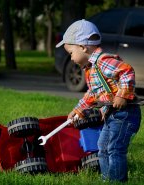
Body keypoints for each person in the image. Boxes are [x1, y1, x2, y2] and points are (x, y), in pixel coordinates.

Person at [56, 19, 141, 182]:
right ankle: (106, 179)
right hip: (112, 116)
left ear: (82, 46)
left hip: (125, 114)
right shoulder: (91, 68)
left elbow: (126, 71)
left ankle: (116, 181)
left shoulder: (103, 61)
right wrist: (78, 110)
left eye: (71, 53)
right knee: (102, 148)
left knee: (115, 148)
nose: (72, 58)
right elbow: (92, 93)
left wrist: (122, 94)